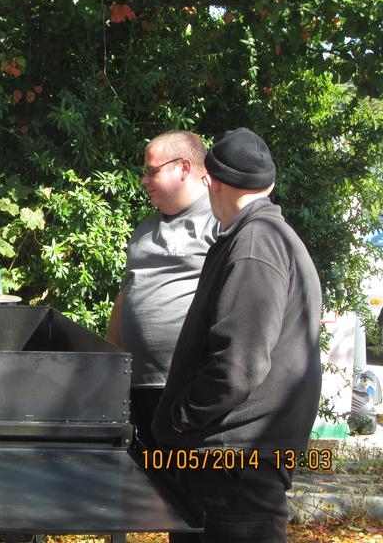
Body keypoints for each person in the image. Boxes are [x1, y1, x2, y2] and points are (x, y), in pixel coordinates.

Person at [151, 127, 322, 542]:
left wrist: (177, 421)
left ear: (215, 183)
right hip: (235, 461)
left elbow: (237, 366)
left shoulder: (255, 244)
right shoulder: (264, 236)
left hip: (235, 465)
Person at [106, 131, 218, 450]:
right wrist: (108, 359)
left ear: (183, 168)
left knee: (177, 491)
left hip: (184, 391)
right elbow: (127, 292)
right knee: (141, 488)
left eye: (152, 170)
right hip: (133, 385)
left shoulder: (219, 222)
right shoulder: (145, 227)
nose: (144, 180)